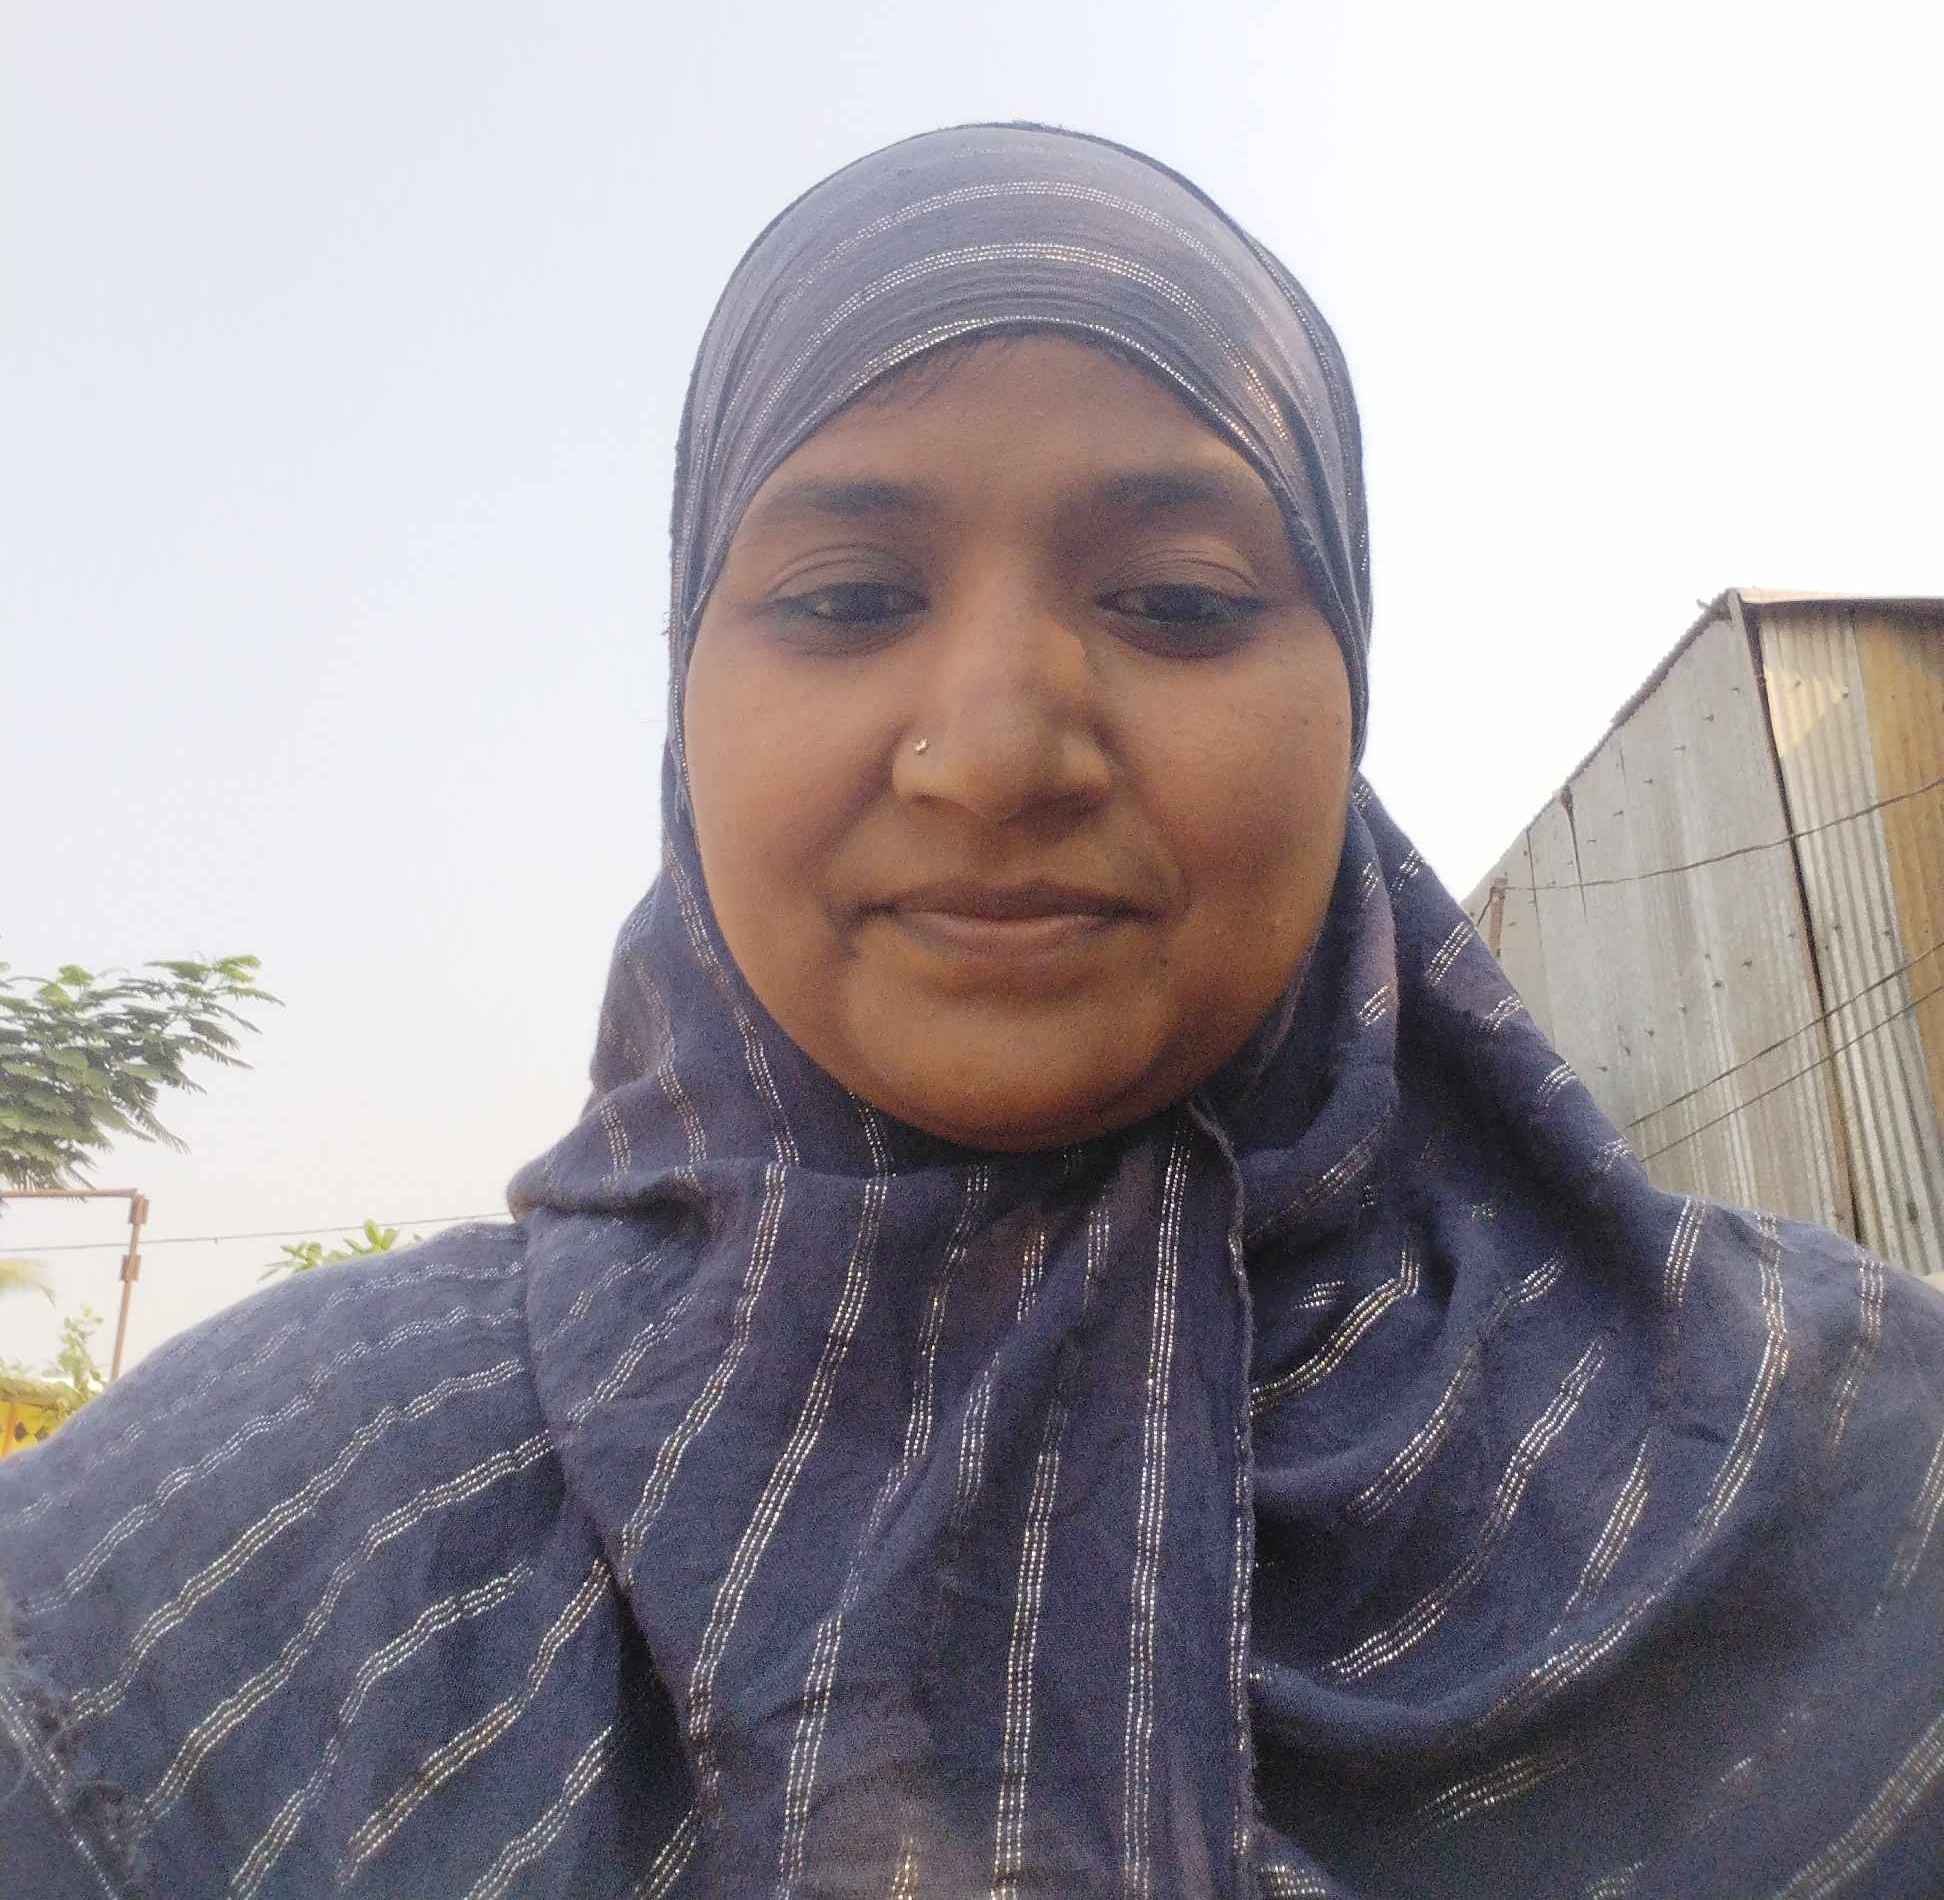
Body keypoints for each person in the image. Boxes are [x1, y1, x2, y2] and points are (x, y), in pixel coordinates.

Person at [4, 123, 1941, 1899]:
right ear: (684, 700)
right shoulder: (213, 1584)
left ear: (1350, 695)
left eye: (1179, 600)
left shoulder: (1857, 1474)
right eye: (849, 599)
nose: (999, 753)